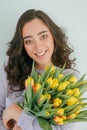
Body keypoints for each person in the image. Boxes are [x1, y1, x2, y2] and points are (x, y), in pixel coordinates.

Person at [0, 9, 79, 130]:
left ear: (53, 35)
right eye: (29, 41)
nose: (38, 47)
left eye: (43, 36)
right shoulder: (10, 68)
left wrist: (17, 113)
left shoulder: (69, 78)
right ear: (23, 45)